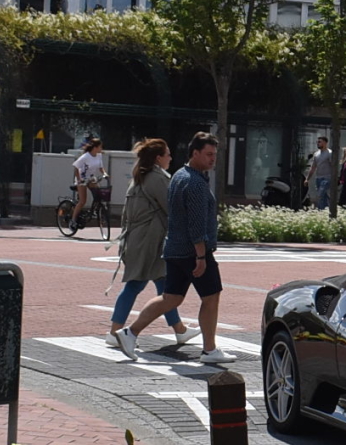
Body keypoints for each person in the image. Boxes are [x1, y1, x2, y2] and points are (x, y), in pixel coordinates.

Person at [148, 132, 229, 364]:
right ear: (195, 153)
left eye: (215, 154)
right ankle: (210, 350)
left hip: (175, 247)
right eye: (209, 154)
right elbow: (196, 224)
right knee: (211, 296)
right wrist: (201, 255)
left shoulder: (179, 175)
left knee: (170, 298)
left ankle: (129, 332)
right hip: (193, 252)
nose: (213, 159)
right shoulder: (194, 182)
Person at [109, 139, 186, 357]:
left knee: (165, 287)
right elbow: (171, 207)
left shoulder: (141, 176)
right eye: (168, 154)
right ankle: (116, 332)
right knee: (136, 285)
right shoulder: (156, 178)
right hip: (149, 242)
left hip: (144, 240)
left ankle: (179, 329)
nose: (171, 157)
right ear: (158, 158)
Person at [71, 135, 110, 219]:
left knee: (98, 194)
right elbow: (76, 167)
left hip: (91, 178)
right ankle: (73, 220)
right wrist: (79, 180)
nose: (101, 149)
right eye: (100, 147)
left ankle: (95, 211)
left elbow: (100, 167)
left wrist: (105, 174)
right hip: (82, 179)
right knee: (82, 201)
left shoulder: (99, 156)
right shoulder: (86, 156)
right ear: (95, 147)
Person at [308, 137, 335, 212]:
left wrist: (335, 178)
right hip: (318, 178)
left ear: (325, 143)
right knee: (324, 196)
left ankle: (320, 210)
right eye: (317, 142)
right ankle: (326, 211)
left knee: (320, 194)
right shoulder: (316, 154)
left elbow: (333, 166)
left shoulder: (329, 153)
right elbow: (313, 167)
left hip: (327, 177)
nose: (318, 143)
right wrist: (307, 179)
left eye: (320, 142)